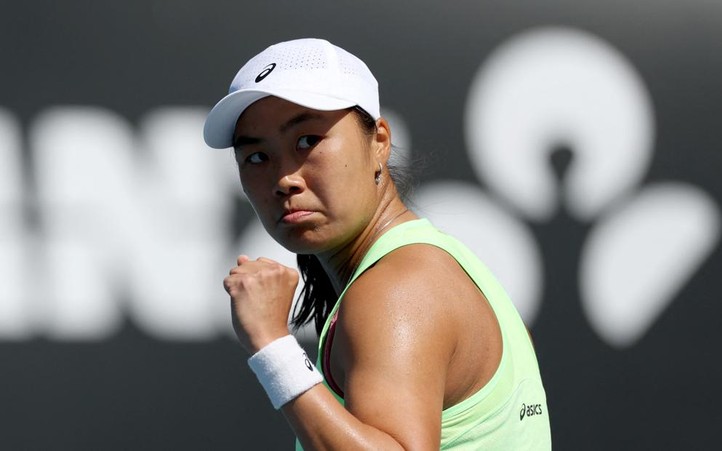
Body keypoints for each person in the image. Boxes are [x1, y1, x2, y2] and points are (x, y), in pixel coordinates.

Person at [204, 38, 551, 450]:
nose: (285, 179)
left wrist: (273, 347)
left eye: (307, 141)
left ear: (379, 143)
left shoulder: (397, 288)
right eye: (257, 157)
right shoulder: (430, 266)